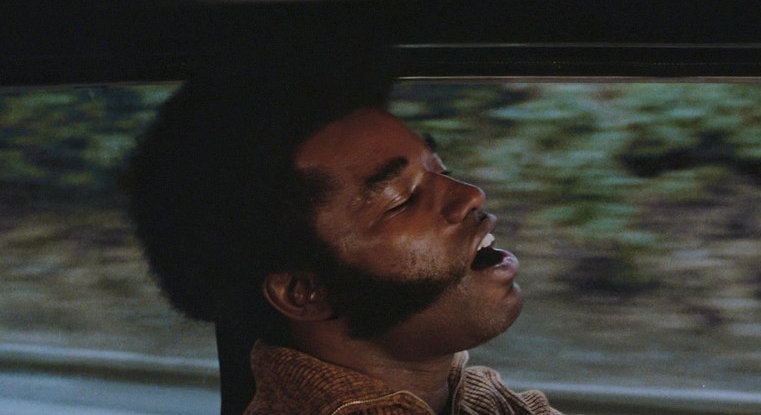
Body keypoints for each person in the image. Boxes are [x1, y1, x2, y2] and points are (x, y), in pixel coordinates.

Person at [123, 48, 561, 414]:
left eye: (440, 171)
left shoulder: (481, 399)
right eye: (401, 200)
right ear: (304, 291)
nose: (471, 195)